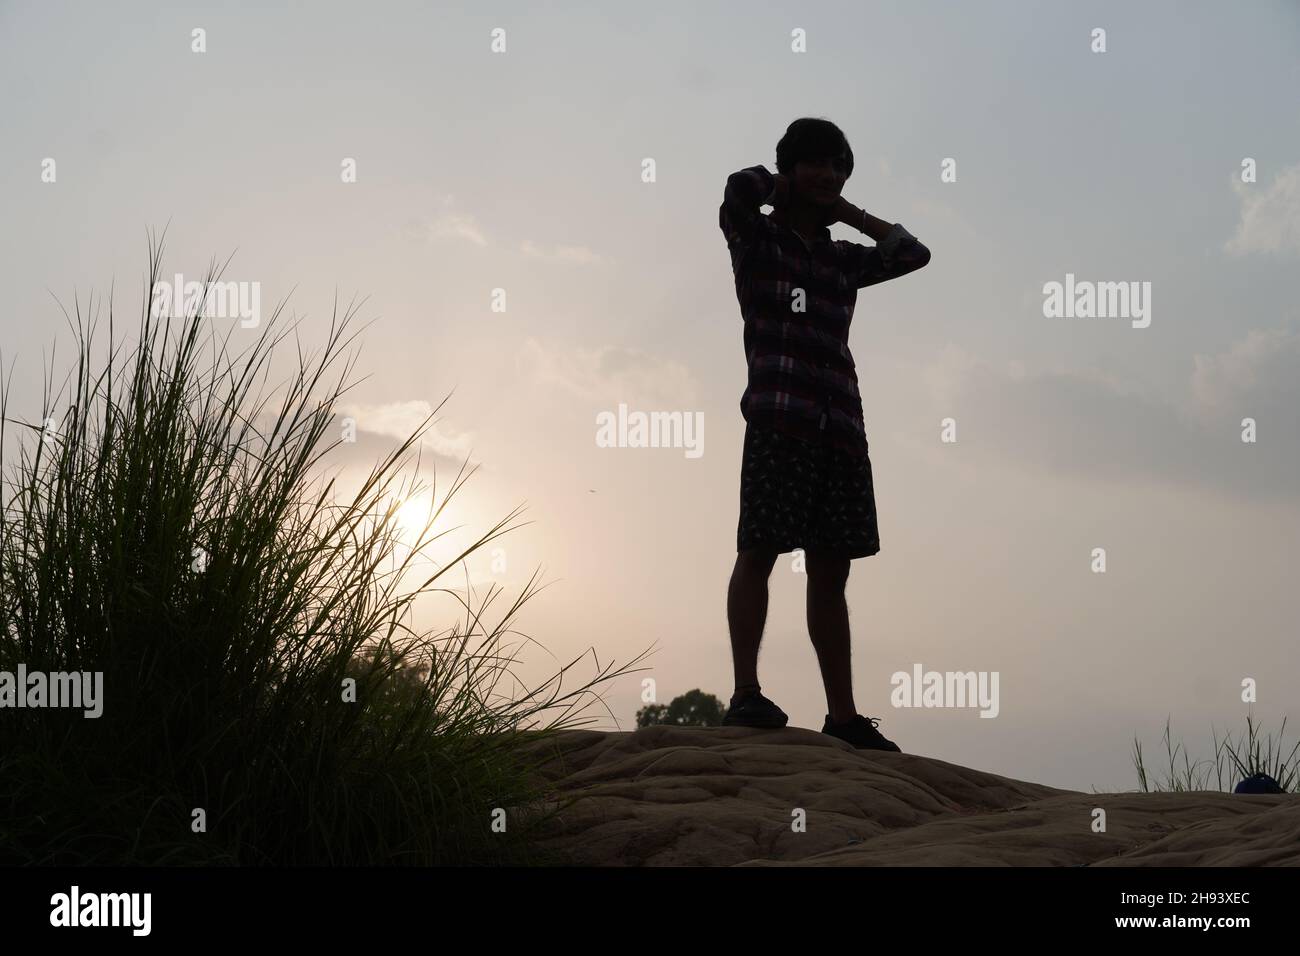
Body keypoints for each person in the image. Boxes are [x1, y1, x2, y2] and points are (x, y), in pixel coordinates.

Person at [717, 117, 931, 751]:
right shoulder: (756, 239)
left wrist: (848, 210)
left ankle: (843, 716)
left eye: (837, 167)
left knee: (831, 570)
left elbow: (913, 253)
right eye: (815, 163)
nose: (827, 175)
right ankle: (746, 694)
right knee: (760, 549)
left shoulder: (842, 260)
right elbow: (736, 189)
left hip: (838, 425)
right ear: (788, 168)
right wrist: (782, 186)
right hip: (779, 418)